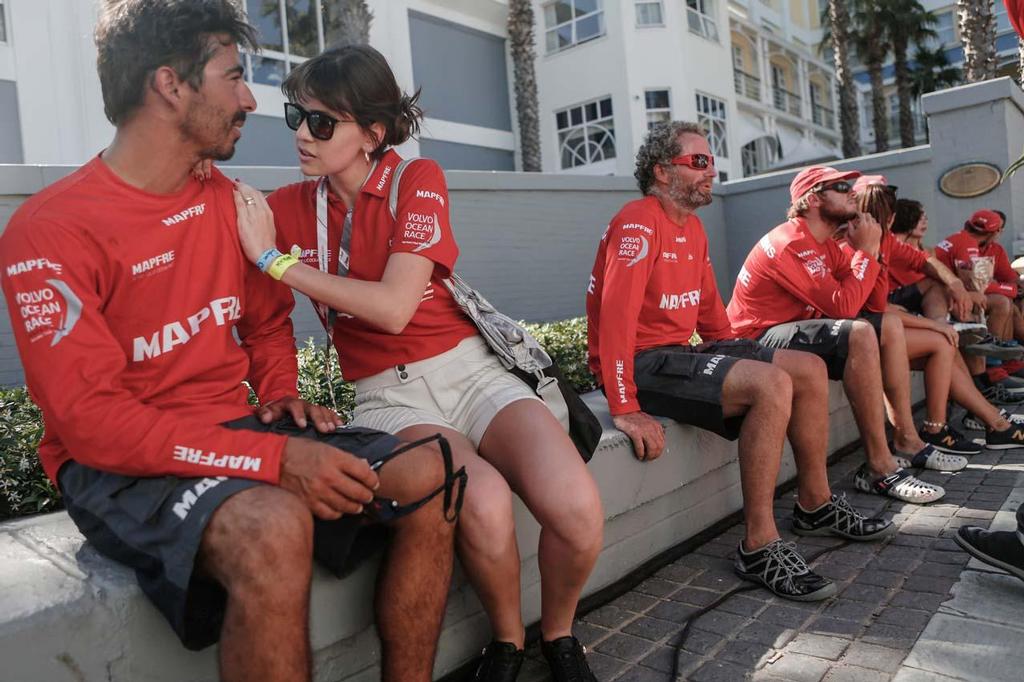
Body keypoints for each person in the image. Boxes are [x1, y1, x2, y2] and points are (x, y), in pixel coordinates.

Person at [0, 3, 458, 681]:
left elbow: (268, 323)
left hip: (235, 430)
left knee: (431, 468)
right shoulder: (49, 230)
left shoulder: (235, 204)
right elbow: (91, 424)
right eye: (234, 76)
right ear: (170, 85)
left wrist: (278, 394)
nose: (249, 100)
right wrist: (273, 460)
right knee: (274, 526)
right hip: (119, 464)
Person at [229, 45, 605, 682]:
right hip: (387, 396)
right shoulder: (290, 206)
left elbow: (396, 307)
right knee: (481, 502)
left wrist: (277, 262)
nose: (301, 132)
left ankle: (560, 632)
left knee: (577, 510)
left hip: (469, 368)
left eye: (322, 123)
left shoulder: (414, 180)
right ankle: (509, 643)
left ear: (372, 133)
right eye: (296, 114)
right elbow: (240, 262)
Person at [586, 121, 892, 603]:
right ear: (664, 172)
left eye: (712, 161)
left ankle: (814, 503)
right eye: (699, 162)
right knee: (769, 384)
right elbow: (614, 321)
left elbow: (711, 315)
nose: (712, 172)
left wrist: (739, 353)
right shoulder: (638, 220)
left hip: (680, 352)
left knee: (807, 369)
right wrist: (623, 406)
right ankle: (759, 544)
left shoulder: (693, 227)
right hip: (643, 363)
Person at [727, 165, 949, 504]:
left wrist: (872, 252)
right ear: (813, 199)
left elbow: (872, 305)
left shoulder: (827, 245)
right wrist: (867, 252)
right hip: (755, 339)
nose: (852, 193)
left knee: (885, 325)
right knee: (859, 332)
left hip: (795, 329)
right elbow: (844, 309)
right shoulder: (791, 241)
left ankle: (906, 439)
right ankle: (879, 466)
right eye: (841, 186)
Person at [849, 178, 1024, 455]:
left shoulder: (884, 241)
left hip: (877, 322)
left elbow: (925, 264)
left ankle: (986, 418)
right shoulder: (857, 246)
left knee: (949, 334)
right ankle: (952, 425)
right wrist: (934, 324)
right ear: (893, 218)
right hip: (862, 329)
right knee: (944, 338)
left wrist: (955, 287)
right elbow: (874, 308)